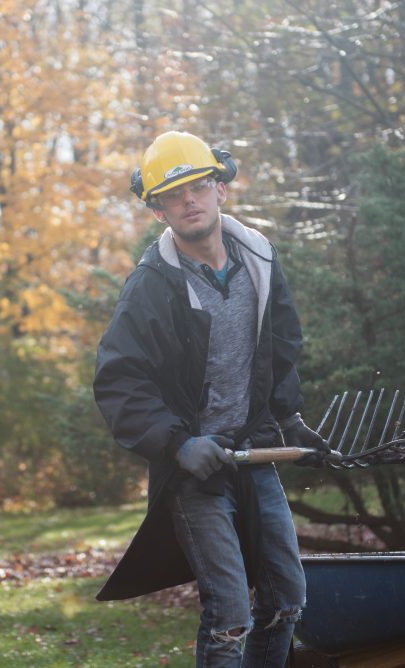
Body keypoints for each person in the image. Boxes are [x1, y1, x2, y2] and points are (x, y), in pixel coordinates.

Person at [92, 131, 333, 667]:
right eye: (173, 195)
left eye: (199, 186)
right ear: (158, 211)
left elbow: (280, 347)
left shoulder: (261, 259)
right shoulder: (152, 286)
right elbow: (119, 380)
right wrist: (177, 444)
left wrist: (289, 419)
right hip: (196, 469)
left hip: (254, 453)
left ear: (221, 188)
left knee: (286, 600)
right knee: (229, 615)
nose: (189, 201)